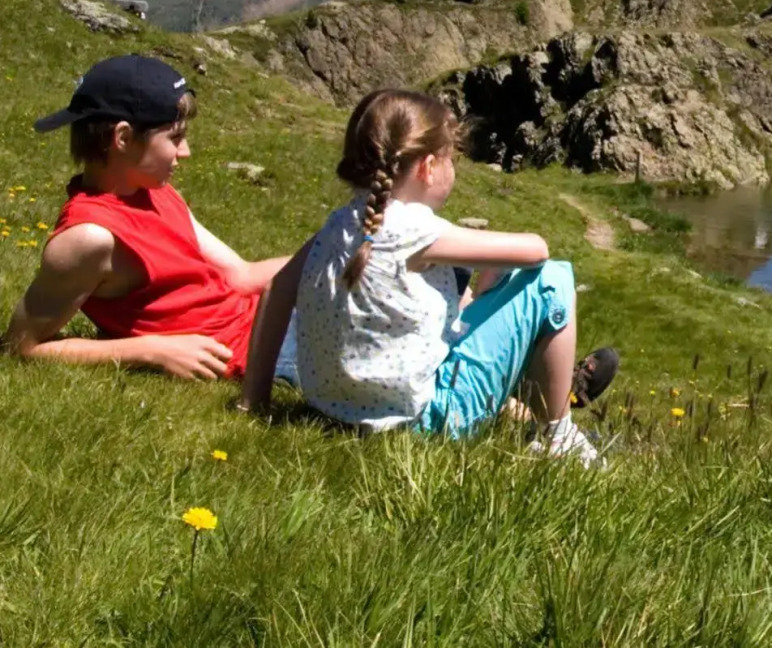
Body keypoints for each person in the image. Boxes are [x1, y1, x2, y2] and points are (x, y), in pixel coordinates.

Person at [239, 89, 614, 465]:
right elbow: (538, 251)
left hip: (332, 410)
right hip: (424, 421)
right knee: (553, 279)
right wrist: (495, 271)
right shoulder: (413, 228)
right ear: (429, 166)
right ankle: (558, 434)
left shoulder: (339, 225)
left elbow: (275, 287)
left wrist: (253, 400)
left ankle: (538, 401)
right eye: (452, 158)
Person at [3, 55, 293, 380]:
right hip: (263, 353)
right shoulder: (89, 237)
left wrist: (331, 254)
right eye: (175, 138)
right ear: (123, 138)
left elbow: (240, 275)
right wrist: (151, 350)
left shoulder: (159, 193)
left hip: (275, 320)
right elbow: (21, 345)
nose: (185, 152)